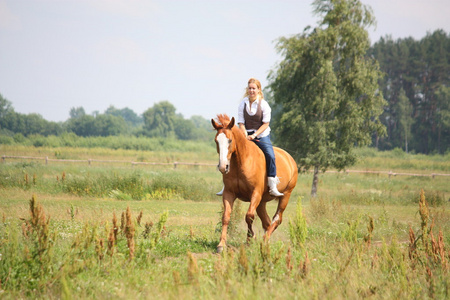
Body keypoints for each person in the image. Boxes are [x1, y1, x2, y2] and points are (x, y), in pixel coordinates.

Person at [217, 77, 284, 197]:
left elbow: (266, 124)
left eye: (254, 88)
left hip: (261, 135)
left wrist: (254, 135)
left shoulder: (264, 105)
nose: (251, 91)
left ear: (259, 90)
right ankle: (226, 184)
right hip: (245, 134)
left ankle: (272, 184)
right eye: (250, 88)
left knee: (270, 155)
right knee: (231, 153)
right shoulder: (243, 103)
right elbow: (241, 123)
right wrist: (244, 134)